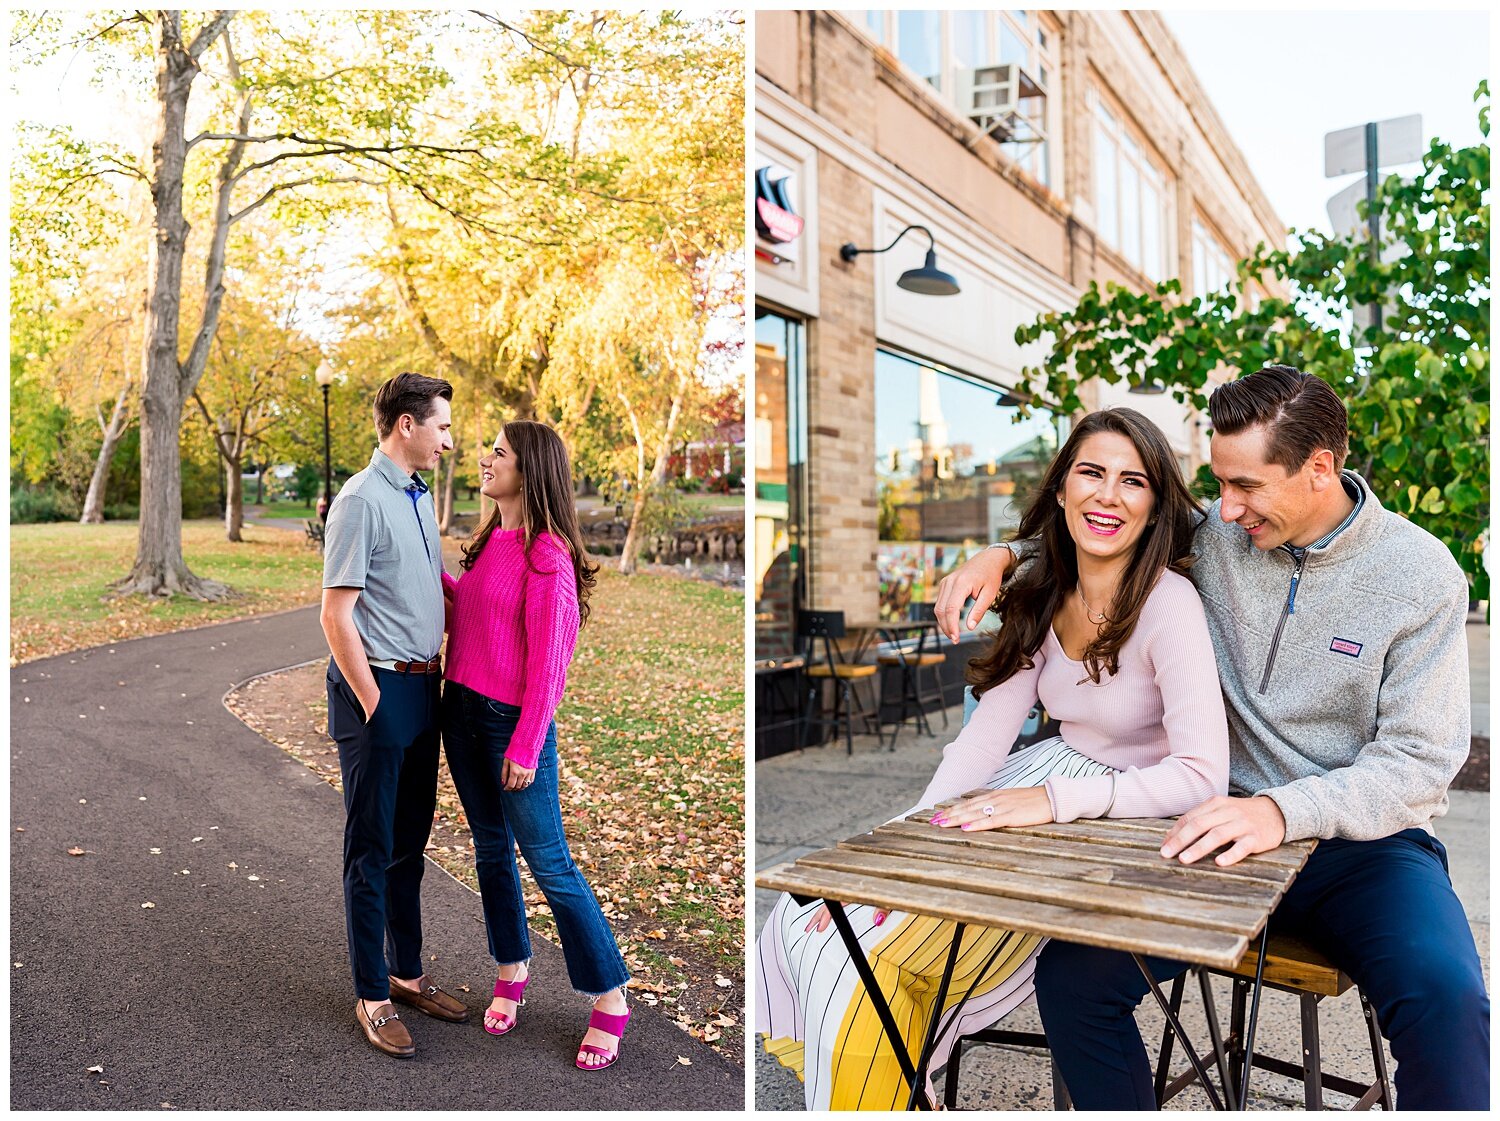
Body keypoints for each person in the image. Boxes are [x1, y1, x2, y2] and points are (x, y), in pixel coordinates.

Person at [935, 365, 1488, 1109]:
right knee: (1072, 977)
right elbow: (1107, 538)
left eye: (1245, 487)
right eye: (1218, 483)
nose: (1223, 511)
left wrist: (1281, 813)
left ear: (1319, 467)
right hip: (1206, 832)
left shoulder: (1422, 575)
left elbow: (1419, 759)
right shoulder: (1220, 537)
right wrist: (1005, 554)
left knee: (1449, 997)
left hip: (1364, 848)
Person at [756, 408, 1230, 1110]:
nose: (1109, 495)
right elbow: (982, 740)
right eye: (1092, 473)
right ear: (1062, 489)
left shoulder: (1171, 604)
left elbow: (1200, 775)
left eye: (1133, 482)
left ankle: (886, 1086)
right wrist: (905, 846)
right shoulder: (1039, 592)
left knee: (867, 957)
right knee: (811, 917)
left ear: (1156, 506)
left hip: (1120, 815)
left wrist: (1050, 802)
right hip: (1033, 786)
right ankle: (893, 1087)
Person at [441, 419, 633, 1071]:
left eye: (499, 452)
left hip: (509, 727)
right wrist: (426, 574)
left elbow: (552, 661)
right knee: (491, 851)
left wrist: (525, 745)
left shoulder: (547, 553)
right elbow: (469, 613)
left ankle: (610, 994)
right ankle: (512, 964)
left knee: (550, 864)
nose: (486, 459)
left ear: (531, 470)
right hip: (459, 712)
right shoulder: (492, 538)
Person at [320, 371, 468, 1058]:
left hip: (423, 689)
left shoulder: (416, 493)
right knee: (371, 849)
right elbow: (336, 613)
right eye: (440, 425)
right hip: (376, 691)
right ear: (406, 425)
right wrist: (374, 703)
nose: (448, 439)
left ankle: (406, 974)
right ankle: (373, 994)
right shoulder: (359, 500)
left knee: (411, 843)